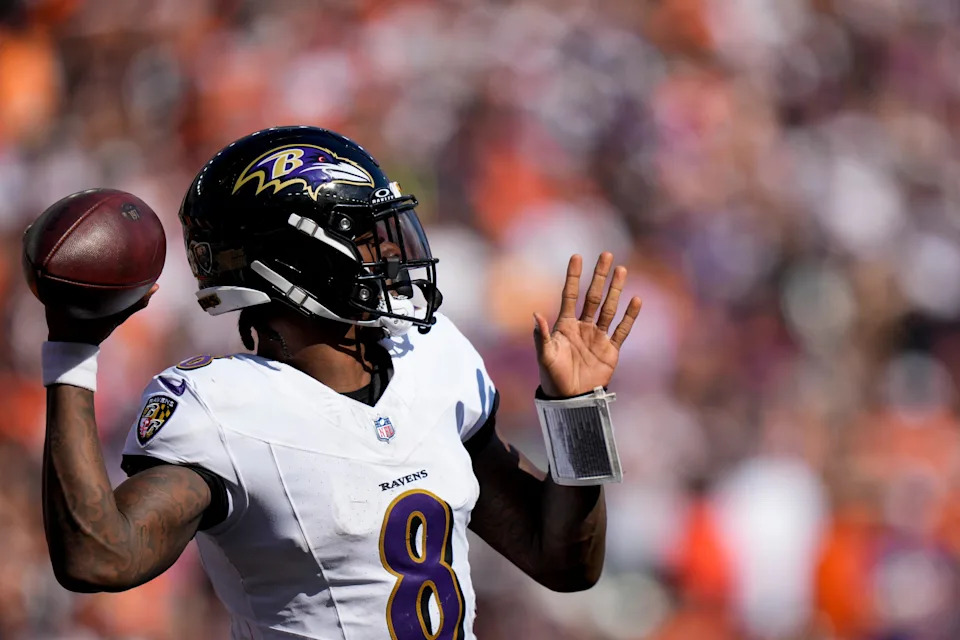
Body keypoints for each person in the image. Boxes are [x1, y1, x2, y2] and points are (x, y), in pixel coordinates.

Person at [40, 126, 642, 639]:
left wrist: (579, 413)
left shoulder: (431, 357)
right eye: (361, 231)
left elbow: (566, 562)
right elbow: (100, 556)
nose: (388, 248)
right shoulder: (222, 408)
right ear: (296, 258)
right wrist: (72, 352)